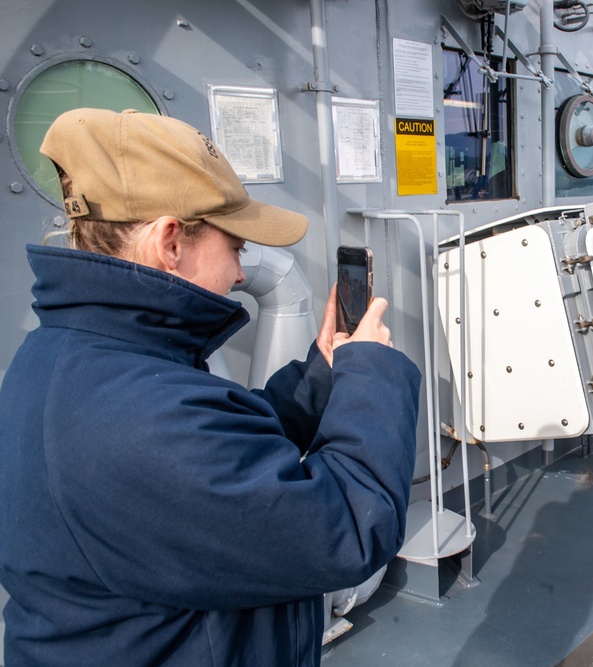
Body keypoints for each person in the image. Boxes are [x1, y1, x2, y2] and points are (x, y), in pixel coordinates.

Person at [0, 108, 422, 665]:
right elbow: (347, 529)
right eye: (236, 247)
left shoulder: (71, 359)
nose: (241, 273)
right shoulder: (143, 416)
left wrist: (325, 370)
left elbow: (221, 456)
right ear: (171, 241)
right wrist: (371, 370)